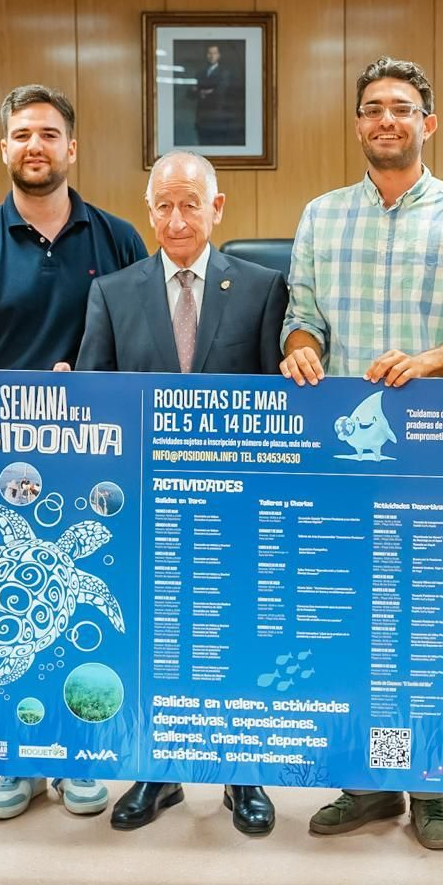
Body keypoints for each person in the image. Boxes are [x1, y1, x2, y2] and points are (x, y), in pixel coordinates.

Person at [281, 56, 443, 851]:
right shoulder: (320, 215)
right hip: (343, 460)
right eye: (373, 108)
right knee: (355, 626)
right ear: (357, 124)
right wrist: (301, 349)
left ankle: (432, 787)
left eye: (402, 109)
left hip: (435, 456)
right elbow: (300, 315)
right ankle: (368, 782)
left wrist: (428, 362)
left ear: (428, 123)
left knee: (427, 629)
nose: (387, 121)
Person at [0, 83, 147, 821]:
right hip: (7, 454)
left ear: (71, 148)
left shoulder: (118, 239)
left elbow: (144, 346)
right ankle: (13, 761)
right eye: (22, 134)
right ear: (4, 148)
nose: (35, 146)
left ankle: (79, 756)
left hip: (100, 456)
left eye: (49, 134)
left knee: (76, 644)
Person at [75, 149, 287, 837]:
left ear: (216, 208)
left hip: (236, 505)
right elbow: (93, 403)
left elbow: (280, 407)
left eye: (189, 203)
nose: (175, 218)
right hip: (145, 507)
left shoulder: (261, 287)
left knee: (236, 640)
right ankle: (156, 772)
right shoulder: (112, 290)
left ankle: (241, 774)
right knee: (154, 642)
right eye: (162, 205)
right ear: (148, 211)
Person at [191, 44, 239, 146]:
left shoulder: (224, 73)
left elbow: (220, 92)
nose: (212, 56)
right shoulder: (200, 73)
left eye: (214, 53)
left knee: (216, 146)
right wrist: (202, 92)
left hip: (217, 118)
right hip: (201, 118)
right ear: (206, 55)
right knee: (202, 147)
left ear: (219, 55)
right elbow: (190, 92)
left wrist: (200, 91)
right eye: (209, 53)